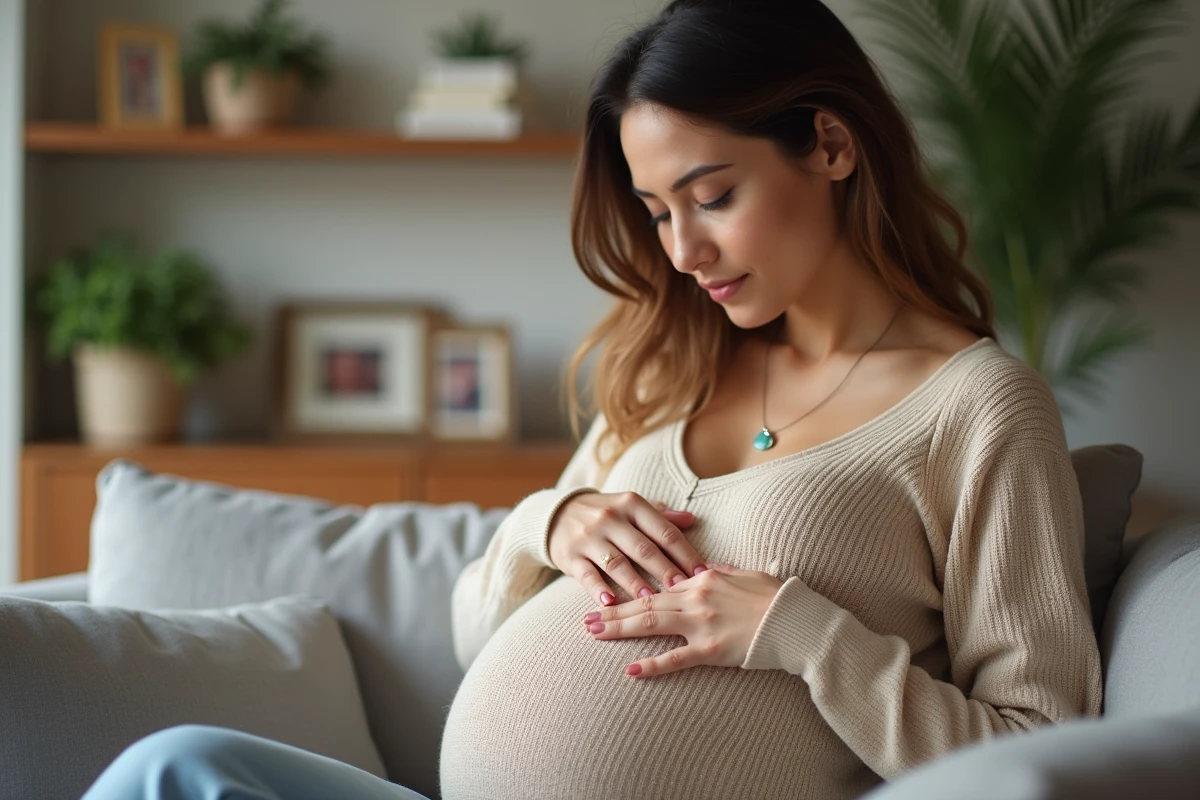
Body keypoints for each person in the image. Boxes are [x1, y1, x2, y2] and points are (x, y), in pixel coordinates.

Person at [82, 1, 1103, 799]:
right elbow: (477, 632)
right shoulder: (675, 368)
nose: (683, 250)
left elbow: (1038, 754)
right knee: (176, 765)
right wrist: (550, 521)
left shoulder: (979, 407)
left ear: (832, 146)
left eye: (713, 196)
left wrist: (808, 636)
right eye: (659, 211)